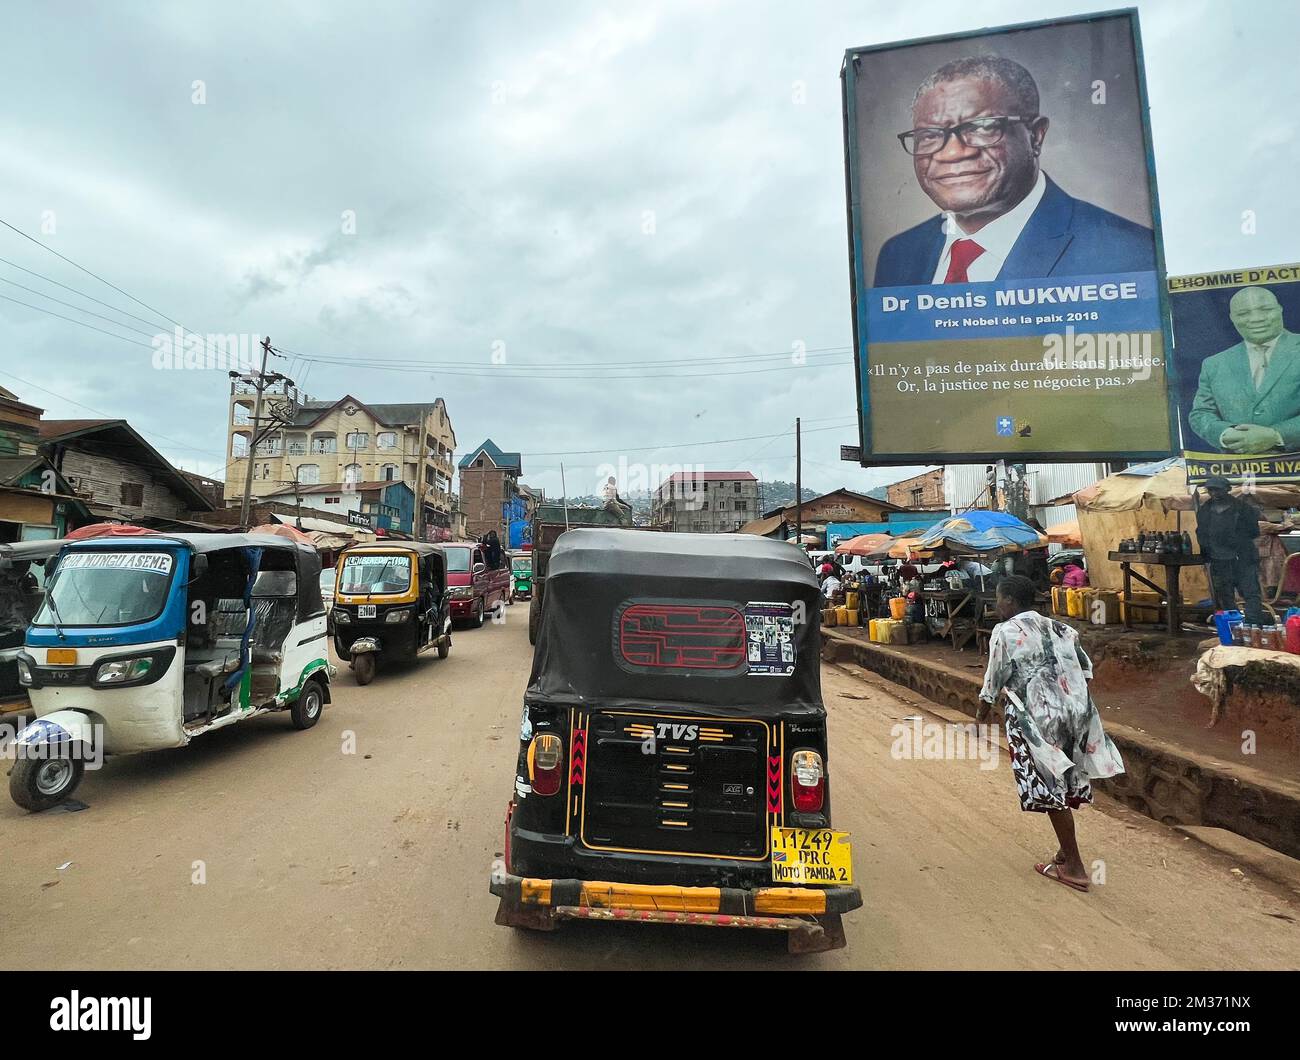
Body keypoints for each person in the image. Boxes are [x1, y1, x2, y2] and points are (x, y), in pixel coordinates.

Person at [874, 56, 1155, 287]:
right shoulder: (898, 255)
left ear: (1035, 136)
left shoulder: (1130, 252)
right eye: (930, 135)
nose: (953, 153)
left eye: (982, 127)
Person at [977, 575, 1125, 893]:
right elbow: (1086, 670)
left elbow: (992, 682)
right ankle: (1064, 852)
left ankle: (1074, 866)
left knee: (1048, 788)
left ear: (1012, 602)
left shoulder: (1004, 632)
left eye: (999, 598)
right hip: (1076, 714)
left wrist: (980, 717)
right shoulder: (1063, 629)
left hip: (1035, 719)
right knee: (1066, 781)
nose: (996, 604)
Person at [1187, 286, 1300, 454]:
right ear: (1232, 318)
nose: (1256, 319)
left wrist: (1276, 435)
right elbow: (1200, 414)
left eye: (1266, 309)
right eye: (1243, 314)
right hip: (1237, 471)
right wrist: (1225, 434)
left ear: (1280, 309)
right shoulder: (1214, 364)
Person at [1196, 476, 1265, 624]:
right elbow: (1201, 533)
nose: (1214, 493)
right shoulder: (1204, 510)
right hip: (1218, 560)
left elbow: (1254, 532)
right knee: (1224, 595)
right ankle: (1232, 625)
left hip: (1243, 558)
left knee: (1250, 592)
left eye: (1218, 490)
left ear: (1227, 490)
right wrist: (1207, 553)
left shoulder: (1243, 509)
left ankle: (1253, 625)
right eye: (1211, 490)